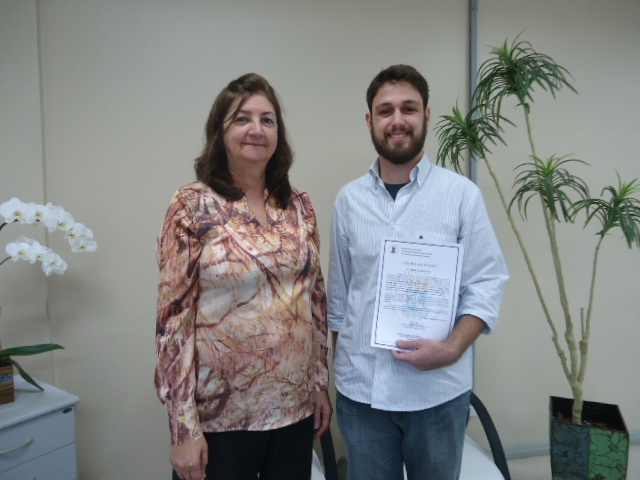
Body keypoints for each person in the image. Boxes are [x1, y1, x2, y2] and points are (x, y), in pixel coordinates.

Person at [328, 64, 509, 480]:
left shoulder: (461, 196)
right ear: (370, 120)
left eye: (408, 108)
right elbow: (339, 298)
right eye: (385, 110)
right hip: (362, 396)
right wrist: (337, 373)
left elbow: (486, 283)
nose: (397, 120)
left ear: (426, 115)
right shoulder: (349, 200)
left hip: (437, 397)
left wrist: (452, 349)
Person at [155, 73, 332, 480]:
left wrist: (319, 384)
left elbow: (315, 300)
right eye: (242, 118)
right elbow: (172, 323)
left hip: (294, 411)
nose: (257, 129)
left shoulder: (299, 206)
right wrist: (183, 429)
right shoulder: (191, 205)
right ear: (220, 132)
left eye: (267, 120)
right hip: (221, 419)